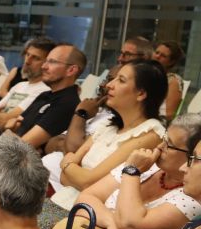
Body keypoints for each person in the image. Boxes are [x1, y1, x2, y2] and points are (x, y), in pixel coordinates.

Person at [44, 60, 167, 219]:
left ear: (141, 94)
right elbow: (64, 177)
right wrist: (73, 169)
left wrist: (67, 163)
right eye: (113, 79)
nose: (110, 85)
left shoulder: (150, 134)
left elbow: (89, 183)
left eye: (121, 80)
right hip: (63, 202)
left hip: (91, 216)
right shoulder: (108, 126)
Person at [57, 114, 201, 229]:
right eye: (164, 139)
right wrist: (111, 223)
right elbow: (86, 196)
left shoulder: (193, 195)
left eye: (169, 144)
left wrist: (131, 171)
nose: (159, 147)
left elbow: (130, 223)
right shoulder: (148, 164)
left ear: (192, 156)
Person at [4, 43, 86, 150]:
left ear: (71, 70)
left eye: (52, 62)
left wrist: (8, 131)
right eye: (46, 61)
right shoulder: (45, 95)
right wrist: (9, 131)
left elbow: (22, 147)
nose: (43, 66)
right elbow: (14, 126)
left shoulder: (67, 104)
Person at [155, 40, 187, 121]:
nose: (157, 56)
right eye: (157, 52)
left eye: (163, 56)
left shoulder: (173, 81)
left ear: (171, 62)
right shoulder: (148, 74)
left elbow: (169, 115)